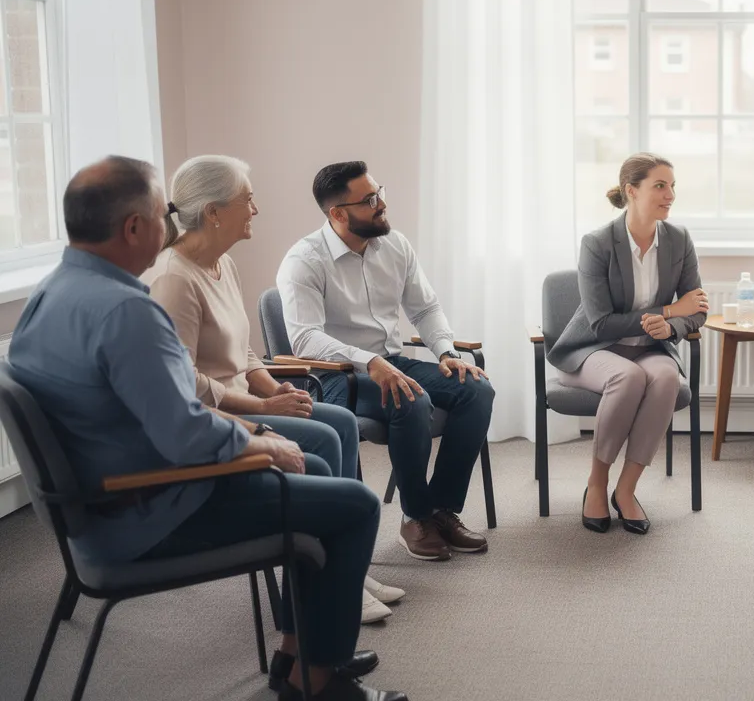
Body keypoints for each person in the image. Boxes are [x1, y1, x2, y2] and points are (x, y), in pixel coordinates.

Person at [9, 156, 405, 700]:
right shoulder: (127, 311)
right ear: (134, 228)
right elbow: (185, 431)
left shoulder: (51, 294)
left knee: (314, 466)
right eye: (163, 214)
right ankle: (317, 683)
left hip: (101, 507)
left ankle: (299, 656)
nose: (172, 224)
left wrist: (261, 434)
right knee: (354, 506)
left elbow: (163, 410)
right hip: (150, 509)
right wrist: (260, 441)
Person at [147, 154, 403, 624]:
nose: (256, 209)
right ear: (213, 212)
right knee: (322, 437)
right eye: (247, 200)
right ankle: (325, 577)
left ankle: (344, 564)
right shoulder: (173, 280)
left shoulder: (222, 263)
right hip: (216, 414)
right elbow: (186, 383)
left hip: (246, 399)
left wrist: (275, 388)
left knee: (341, 422)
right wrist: (263, 403)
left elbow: (243, 350)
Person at [277, 160, 493, 562]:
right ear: (338, 214)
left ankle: (441, 510)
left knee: (477, 389)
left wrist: (446, 352)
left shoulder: (395, 245)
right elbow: (305, 339)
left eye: (379, 193)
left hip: (392, 361)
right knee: (411, 399)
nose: (382, 205)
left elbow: (425, 309)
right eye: (370, 200)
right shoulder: (304, 260)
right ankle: (416, 518)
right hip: (338, 376)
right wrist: (369, 362)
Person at [549, 153, 708, 534]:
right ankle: (597, 483)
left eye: (672, 186)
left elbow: (697, 309)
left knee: (667, 379)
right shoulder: (598, 243)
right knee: (628, 377)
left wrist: (671, 325)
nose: (670, 195)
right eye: (660, 186)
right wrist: (669, 310)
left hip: (650, 349)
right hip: (593, 349)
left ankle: (626, 489)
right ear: (631, 191)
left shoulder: (679, 240)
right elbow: (601, 323)